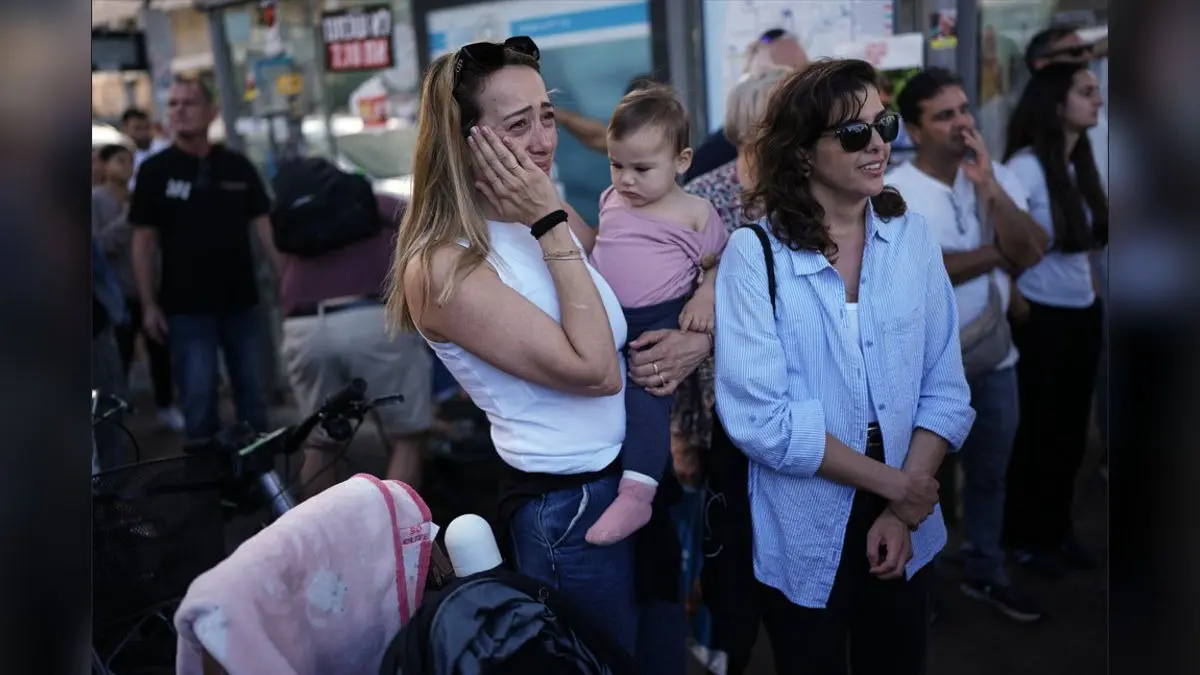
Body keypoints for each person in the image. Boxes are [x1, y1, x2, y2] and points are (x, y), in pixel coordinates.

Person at [385, 37, 711, 669]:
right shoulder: (443, 263)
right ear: (463, 140)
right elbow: (593, 368)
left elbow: (635, 286)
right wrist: (550, 223)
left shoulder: (538, 206)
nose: (542, 140)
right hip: (571, 512)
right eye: (517, 124)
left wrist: (697, 335)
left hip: (632, 479)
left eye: (547, 115)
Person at [714, 59, 975, 674]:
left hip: (911, 491)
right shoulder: (753, 256)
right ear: (802, 154)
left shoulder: (911, 235)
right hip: (806, 515)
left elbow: (946, 384)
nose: (879, 142)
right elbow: (761, 420)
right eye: (854, 132)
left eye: (882, 123)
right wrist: (897, 490)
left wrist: (904, 505)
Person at [887, 67, 1049, 622]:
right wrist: (996, 256)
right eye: (944, 115)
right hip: (926, 372)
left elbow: (1031, 248)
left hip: (994, 359)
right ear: (913, 128)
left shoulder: (994, 174)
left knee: (990, 476)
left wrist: (989, 188)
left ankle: (985, 571)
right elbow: (921, 272)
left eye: (964, 110)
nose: (961, 123)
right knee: (921, 486)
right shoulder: (894, 193)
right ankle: (919, 587)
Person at [677, 64, 788, 675]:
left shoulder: (802, 196)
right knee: (726, 536)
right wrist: (683, 429)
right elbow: (681, 310)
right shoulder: (705, 198)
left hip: (786, 396)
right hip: (720, 400)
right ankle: (719, 640)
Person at [585, 86, 728, 545]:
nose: (626, 180)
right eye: (616, 164)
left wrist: (705, 297)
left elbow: (723, 264)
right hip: (605, 314)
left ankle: (638, 493)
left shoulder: (696, 212)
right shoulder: (612, 198)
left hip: (658, 319)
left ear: (682, 161)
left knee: (648, 399)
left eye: (642, 169)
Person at [129, 76, 283, 443]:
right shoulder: (154, 172)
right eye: (173, 104)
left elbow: (265, 229)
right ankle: (206, 487)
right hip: (185, 309)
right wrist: (148, 304)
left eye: (189, 102)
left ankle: (258, 481)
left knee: (253, 398)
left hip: (242, 303)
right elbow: (143, 241)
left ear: (212, 112)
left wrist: (286, 282)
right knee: (198, 401)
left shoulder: (236, 166)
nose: (179, 110)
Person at [1001, 62, 1107, 578]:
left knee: (1069, 433)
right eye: (1087, 92)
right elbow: (1007, 244)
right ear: (1055, 104)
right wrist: (1017, 299)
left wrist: (1092, 293)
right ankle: (1024, 538)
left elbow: (1084, 244)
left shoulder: (1078, 162)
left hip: (1081, 313)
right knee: (1037, 433)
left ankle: (1056, 530)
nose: (1099, 100)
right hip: (1038, 318)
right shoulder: (1025, 167)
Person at [279, 189, 433, 497]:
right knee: (407, 436)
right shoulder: (378, 203)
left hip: (303, 325)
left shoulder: (300, 218)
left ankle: (327, 537)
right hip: (368, 317)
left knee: (320, 441)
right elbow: (427, 228)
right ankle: (394, 533)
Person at [92, 143, 184, 432]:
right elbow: (99, 246)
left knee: (160, 352)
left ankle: (166, 405)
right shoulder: (96, 200)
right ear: (104, 166)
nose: (126, 168)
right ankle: (119, 413)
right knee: (120, 356)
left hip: (148, 289)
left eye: (130, 162)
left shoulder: (138, 197)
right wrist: (127, 220)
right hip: (117, 294)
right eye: (119, 161)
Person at [684, 29, 809, 183]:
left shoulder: (817, 151)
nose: (799, 87)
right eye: (776, 74)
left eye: (805, 73)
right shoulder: (710, 161)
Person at [122, 107, 171, 189]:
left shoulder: (165, 148)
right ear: (126, 130)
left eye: (146, 127)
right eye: (137, 128)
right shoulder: (125, 157)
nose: (143, 132)